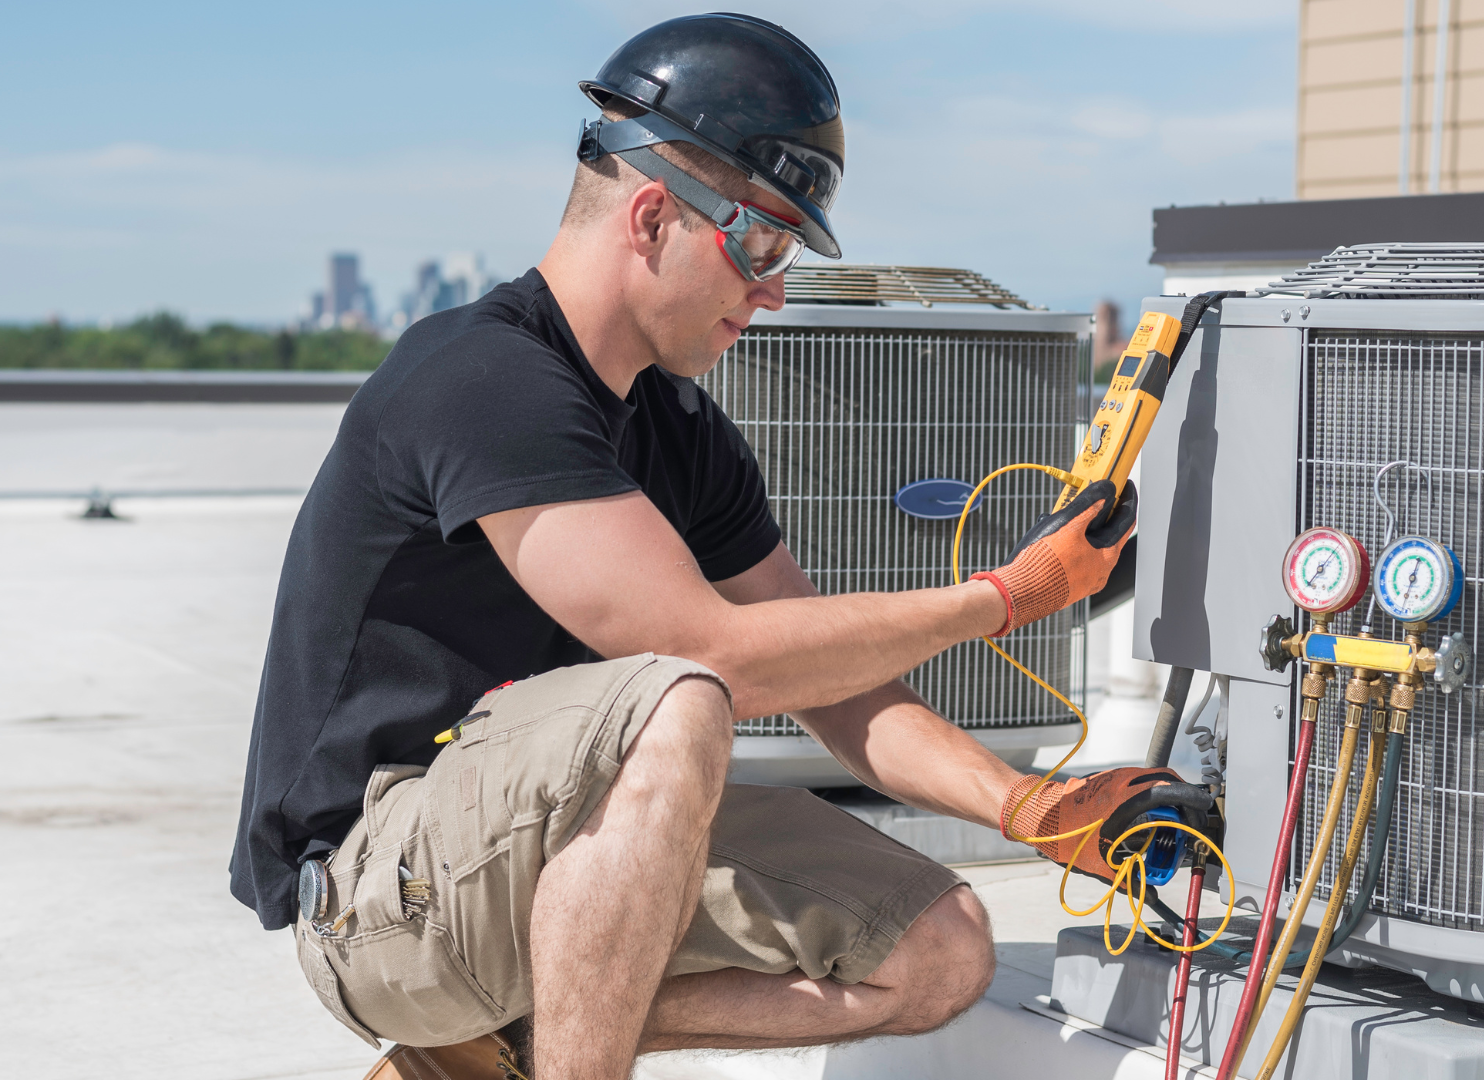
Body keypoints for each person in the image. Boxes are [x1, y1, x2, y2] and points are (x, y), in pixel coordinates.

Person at [229, 14, 1208, 1080]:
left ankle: (491, 1056)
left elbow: (834, 685)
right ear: (652, 215)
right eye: (762, 244)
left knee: (937, 952)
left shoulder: (681, 431)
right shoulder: (483, 380)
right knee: (680, 698)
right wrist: (1004, 597)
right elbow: (718, 657)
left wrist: (1028, 805)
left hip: (529, 860)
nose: (774, 289)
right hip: (377, 894)